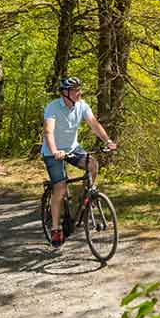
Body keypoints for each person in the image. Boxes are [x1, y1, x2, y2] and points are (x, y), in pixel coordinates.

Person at [41, 76, 116, 245]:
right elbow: (48, 132)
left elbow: (94, 124)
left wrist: (108, 141)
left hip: (73, 148)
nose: (79, 93)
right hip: (53, 152)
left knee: (93, 165)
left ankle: (84, 199)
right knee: (60, 188)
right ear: (65, 93)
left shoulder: (82, 105)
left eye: (79, 89)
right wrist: (54, 151)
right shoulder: (52, 107)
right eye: (75, 90)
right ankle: (55, 228)